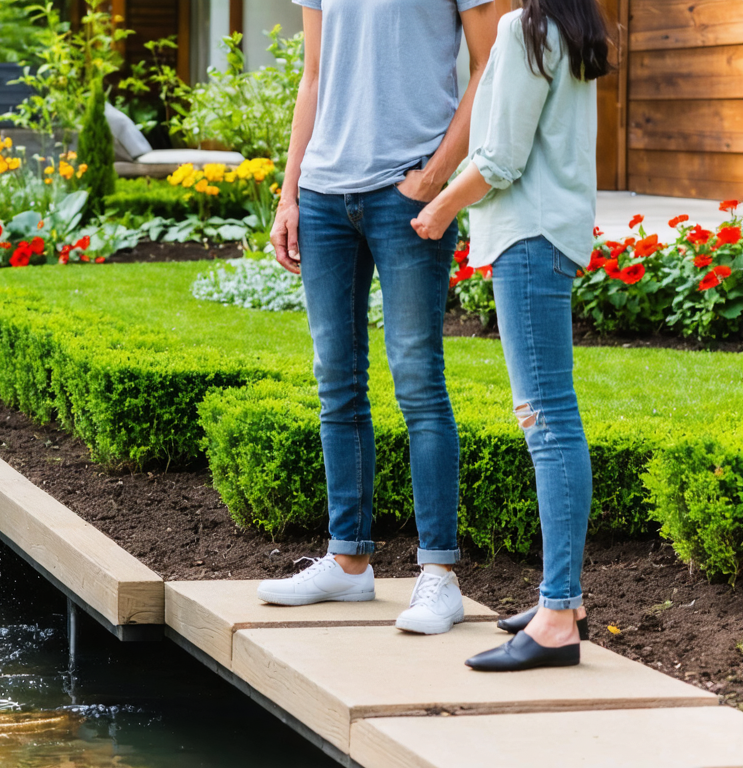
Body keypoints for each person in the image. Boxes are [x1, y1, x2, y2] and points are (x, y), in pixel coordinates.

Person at [258, 0, 501, 635]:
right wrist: (289, 194)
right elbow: (313, 76)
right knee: (335, 378)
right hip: (323, 195)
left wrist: (436, 177)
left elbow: (488, 63)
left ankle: (439, 576)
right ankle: (348, 561)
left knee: (418, 379)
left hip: (404, 189)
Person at [410, 0, 610, 670]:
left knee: (545, 420)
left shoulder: (522, 27)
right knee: (552, 416)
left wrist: (437, 205)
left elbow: (499, 157)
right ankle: (566, 599)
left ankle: (556, 619)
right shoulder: (575, 26)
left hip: (528, 239)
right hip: (553, 235)